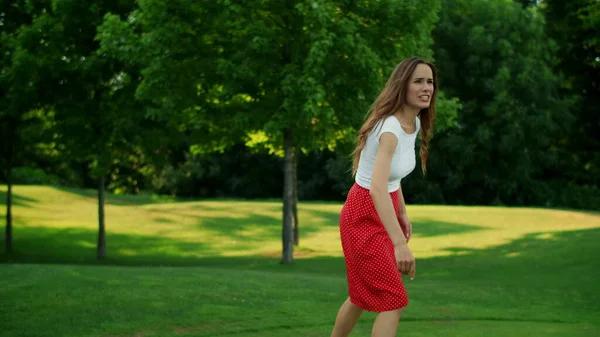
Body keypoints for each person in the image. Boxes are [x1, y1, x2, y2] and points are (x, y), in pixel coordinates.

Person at [330, 57, 438, 337]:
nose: (427, 87)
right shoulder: (389, 129)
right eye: (419, 81)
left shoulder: (411, 123)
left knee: (361, 296)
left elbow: (392, 177)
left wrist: (401, 211)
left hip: (384, 206)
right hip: (363, 212)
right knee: (393, 299)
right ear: (402, 86)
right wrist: (399, 244)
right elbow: (377, 187)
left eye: (430, 81)